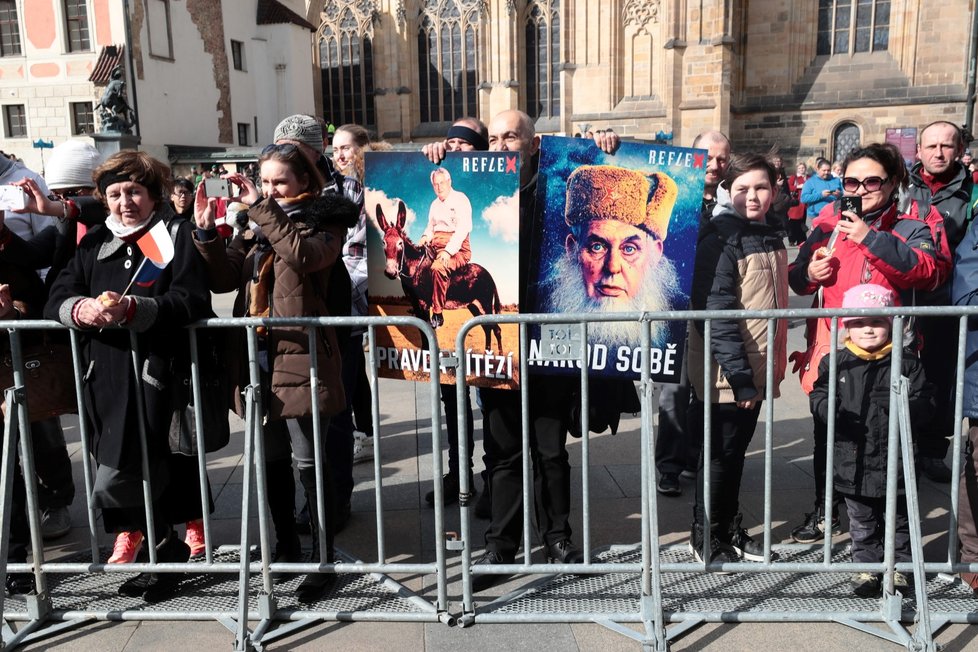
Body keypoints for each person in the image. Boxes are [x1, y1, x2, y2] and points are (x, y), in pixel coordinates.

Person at [193, 141, 359, 603]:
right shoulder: (260, 223)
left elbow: (303, 257)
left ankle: (322, 558)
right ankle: (285, 547)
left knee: (310, 461)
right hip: (257, 360)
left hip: (302, 356)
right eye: (264, 181)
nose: (269, 189)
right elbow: (228, 278)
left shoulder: (326, 220)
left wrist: (263, 210)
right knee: (269, 460)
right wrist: (208, 237)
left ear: (305, 181)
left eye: (279, 181)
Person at [44, 150, 213, 602]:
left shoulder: (172, 236)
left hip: (159, 374)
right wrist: (78, 309)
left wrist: (136, 309)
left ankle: (165, 553)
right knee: (118, 467)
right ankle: (151, 547)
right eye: (115, 193)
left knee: (158, 467)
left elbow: (191, 299)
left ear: (153, 194)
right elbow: (59, 292)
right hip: (107, 377)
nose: (125, 202)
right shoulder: (94, 241)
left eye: (134, 192)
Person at [787, 142, 949, 543]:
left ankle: (887, 528)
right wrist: (810, 270)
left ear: (893, 182)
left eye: (871, 180)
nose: (860, 189)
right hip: (836, 350)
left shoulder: (913, 226)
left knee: (884, 437)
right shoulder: (826, 226)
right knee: (830, 431)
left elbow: (927, 272)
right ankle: (827, 510)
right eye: (851, 181)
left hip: (889, 352)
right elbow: (796, 278)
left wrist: (870, 238)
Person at [686, 153, 788, 565]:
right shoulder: (720, 240)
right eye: (742, 188)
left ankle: (726, 528)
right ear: (727, 191)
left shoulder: (767, 233)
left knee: (733, 454)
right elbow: (717, 313)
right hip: (727, 371)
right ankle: (705, 537)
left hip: (753, 367)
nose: (752, 196)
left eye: (761, 187)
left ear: (775, 190)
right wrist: (740, 376)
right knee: (719, 456)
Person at [810, 284, 933, 597]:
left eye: (877, 322)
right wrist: (827, 407)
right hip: (853, 461)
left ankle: (901, 569)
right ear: (847, 326)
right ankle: (866, 568)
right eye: (859, 322)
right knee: (862, 522)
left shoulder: (907, 363)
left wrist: (907, 405)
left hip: (898, 460)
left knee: (900, 520)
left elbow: (927, 404)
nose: (868, 329)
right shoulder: (836, 362)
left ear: (890, 325)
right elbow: (819, 394)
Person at [655, 130, 731, 497]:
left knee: (709, 393)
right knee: (673, 392)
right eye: (707, 157)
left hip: (717, 312)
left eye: (722, 159)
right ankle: (668, 466)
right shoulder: (676, 198)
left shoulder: (735, 201)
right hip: (677, 313)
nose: (714, 166)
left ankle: (695, 458)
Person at [906, 121, 978, 483]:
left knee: (940, 378)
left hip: (946, 304)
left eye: (946, 146)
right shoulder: (900, 185)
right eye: (930, 146)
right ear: (918, 150)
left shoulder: (972, 193)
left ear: (959, 149)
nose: (938, 152)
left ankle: (933, 449)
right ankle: (898, 447)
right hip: (902, 301)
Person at [540, 164, 682, 347]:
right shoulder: (540, 305)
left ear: (654, 254)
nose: (613, 267)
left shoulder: (678, 316)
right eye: (597, 247)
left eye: (629, 249)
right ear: (572, 249)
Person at [418, 168, 473, 328]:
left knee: (437, 268)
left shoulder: (461, 199)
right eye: (435, 184)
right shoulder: (434, 204)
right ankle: (420, 303)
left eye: (441, 183)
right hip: (435, 246)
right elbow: (430, 227)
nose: (439, 187)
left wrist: (448, 251)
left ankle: (437, 312)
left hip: (458, 248)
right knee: (417, 265)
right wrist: (425, 237)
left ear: (449, 182)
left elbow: (463, 228)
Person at [800, 159, 842, 224]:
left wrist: (839, 194)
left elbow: (845, 194)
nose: (826, 172)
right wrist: (821, 195)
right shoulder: (810, 182)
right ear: (818, 170)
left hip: (833, 216)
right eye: (824, 170)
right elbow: (803, 198)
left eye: (828, 170)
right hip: (815, 216)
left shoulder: (836, 180)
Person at [786, 162, 810, 245]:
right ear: (797, 169)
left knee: (802, 222)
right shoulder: (794, 177)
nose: (801, 169)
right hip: (796, 203)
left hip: (805, 203)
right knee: (793, 223)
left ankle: (801, 239)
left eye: (803, 168)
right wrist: (798, 187)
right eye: (800, 168)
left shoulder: (808, 177)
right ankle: (792, 239)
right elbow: (788, 187)